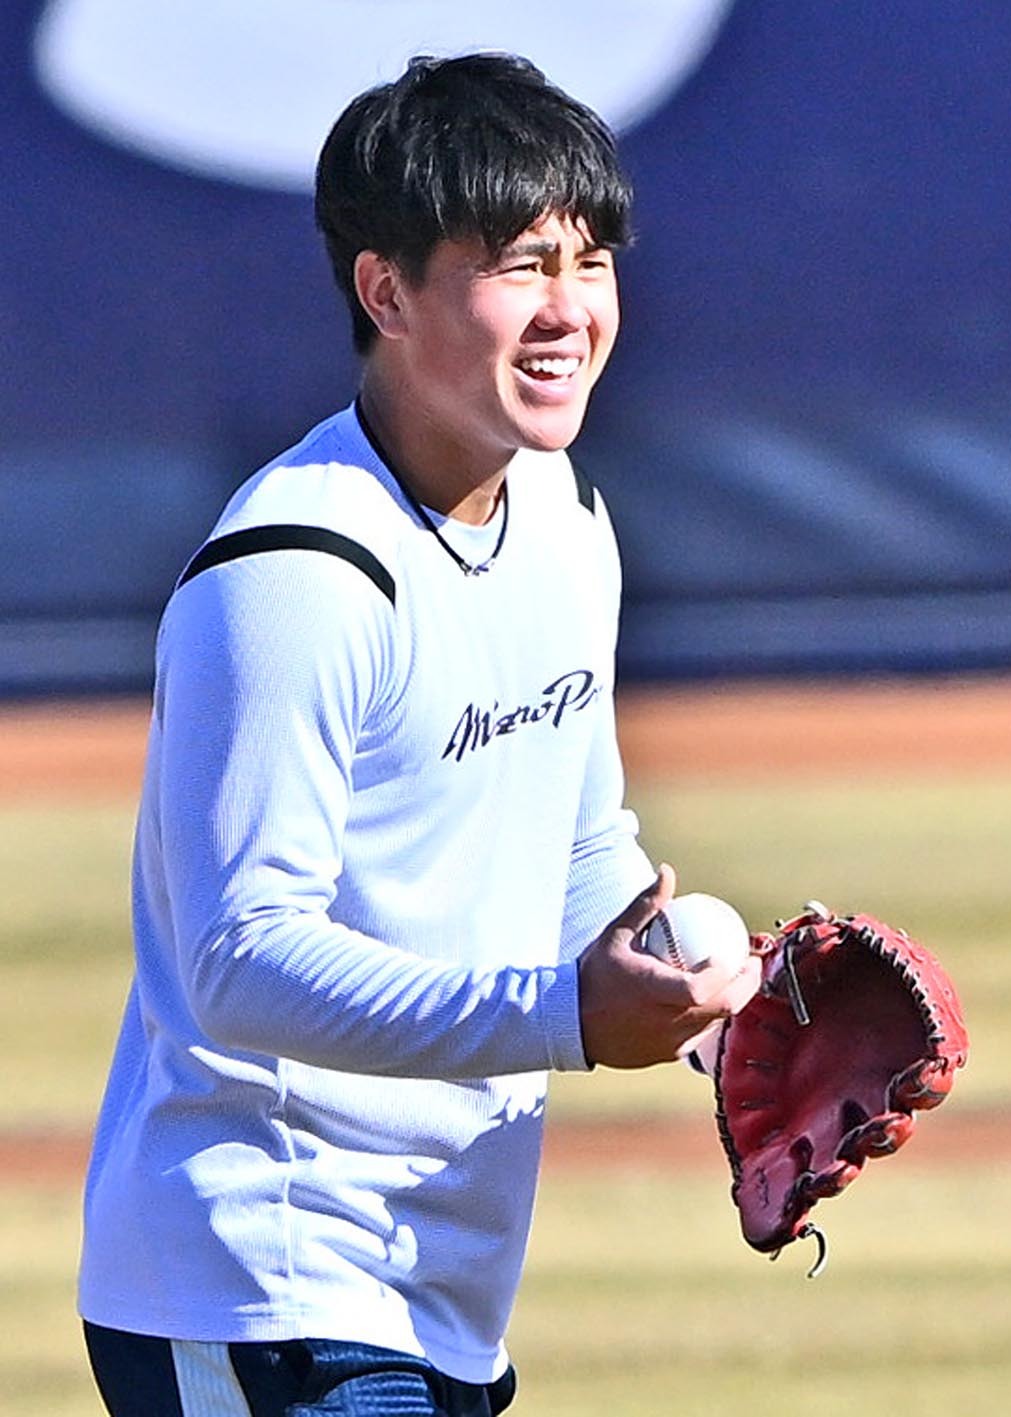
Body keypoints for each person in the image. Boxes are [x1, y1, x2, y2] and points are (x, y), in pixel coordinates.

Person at [78, 52, 761, 1416]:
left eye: (591, 260)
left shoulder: (565, 517)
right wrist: (567, 1015)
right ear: (384, 291)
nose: (569, 309)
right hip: (264, 1274)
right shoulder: (296, 573)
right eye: (519, 265)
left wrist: (730, 1022)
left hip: (439, 1285)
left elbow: (580, 849)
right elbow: (238, 959)